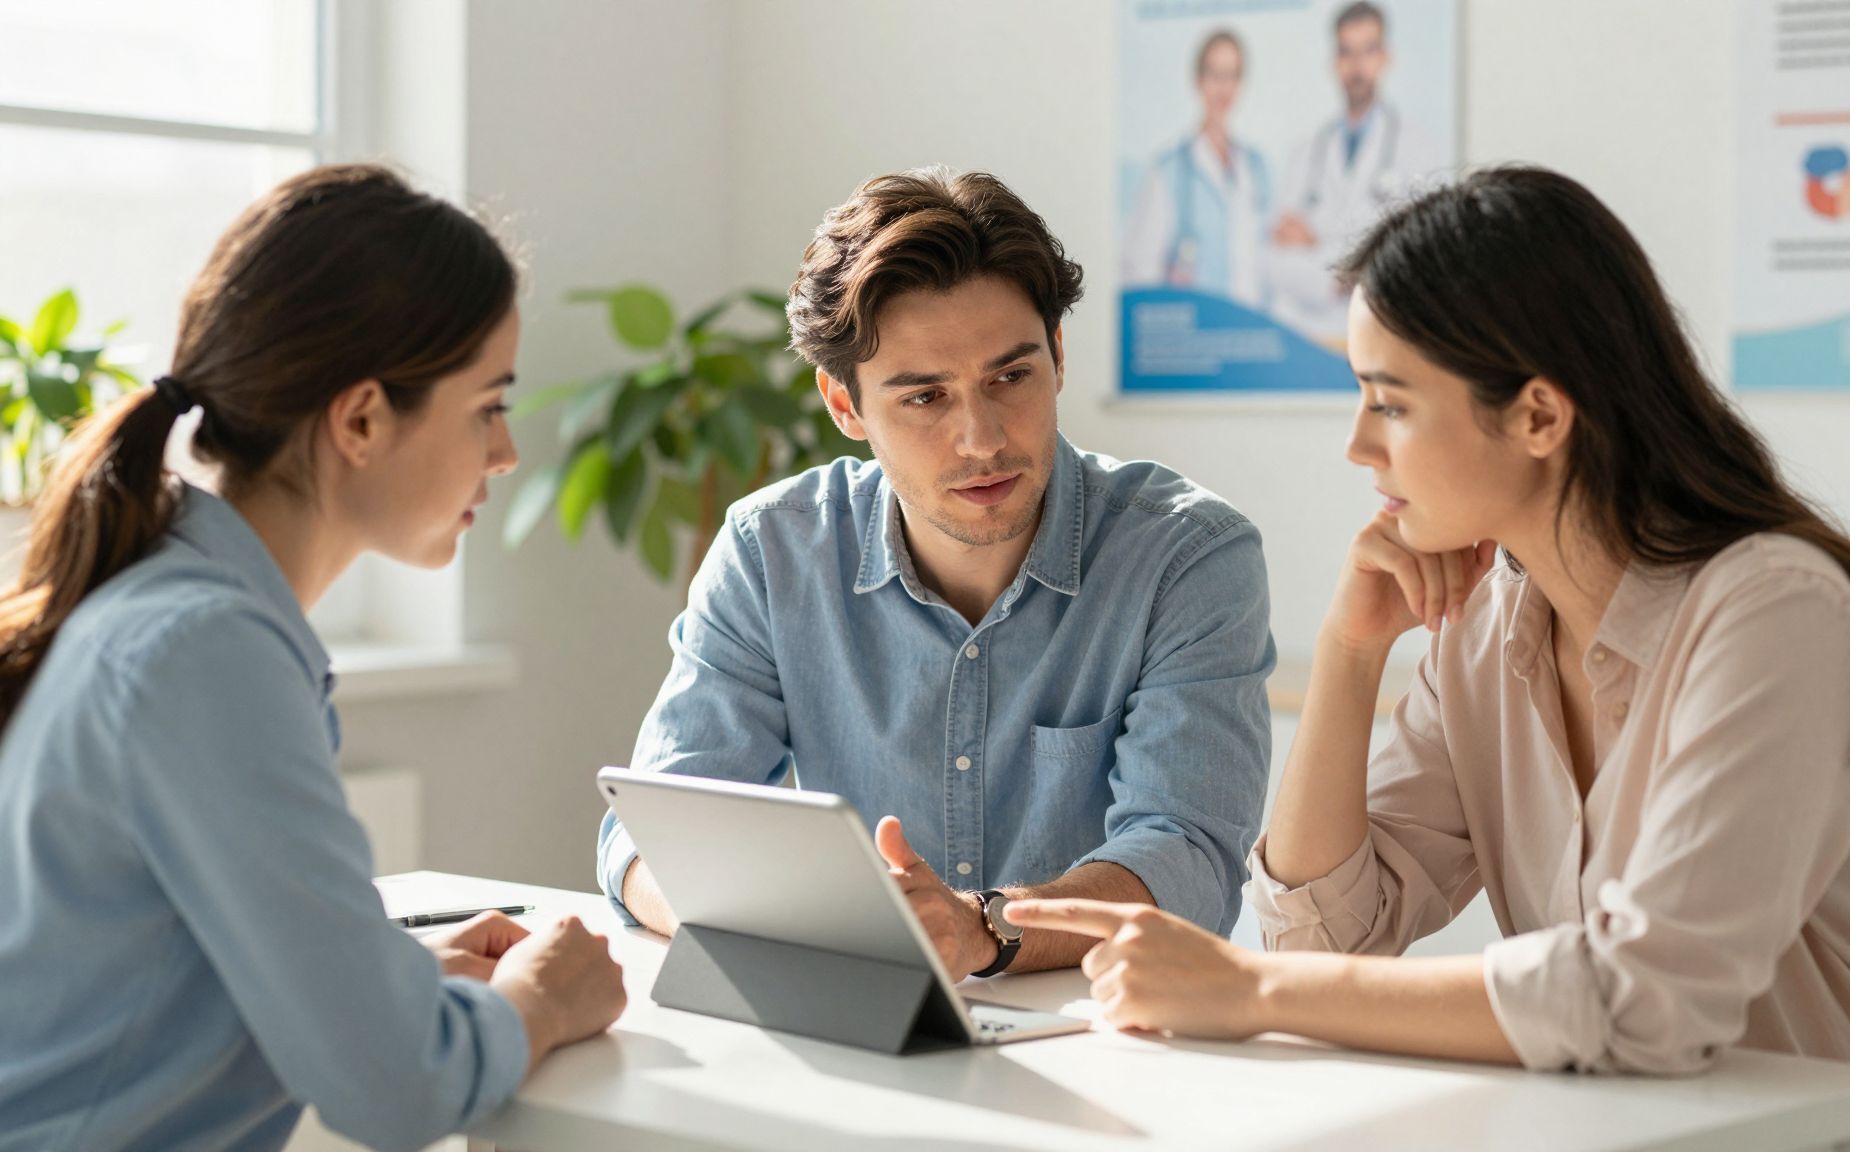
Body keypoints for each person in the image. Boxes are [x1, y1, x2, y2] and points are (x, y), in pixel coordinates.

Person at [1009, 166, 1850, 1149]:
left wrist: (1246, 992)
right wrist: (1348, 651)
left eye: (1391, 401)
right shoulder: (1488, 626)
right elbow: (1324, 942)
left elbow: (1647, 1002)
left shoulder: (1773, 606)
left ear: (1539, 414)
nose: (1357, 446)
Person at [0, 164, 627, 1152]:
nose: (504, 455)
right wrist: (539, 1002)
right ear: (363, 418)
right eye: (486, 406)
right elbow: (398, 1090)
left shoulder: (175, 615)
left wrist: (389, 971)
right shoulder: (205, 653)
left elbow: (162, 964)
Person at [600, 167, 1274, 983]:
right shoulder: (771, 551)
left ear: (1057, 357)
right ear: (844, 406)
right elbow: (647, 838)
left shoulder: (1185, 556)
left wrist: (983, 930)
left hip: (1108, 1034)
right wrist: (807, 929)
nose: (982, 438)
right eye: (925, 398)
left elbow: (1189, 856)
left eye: (1010, 377)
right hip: (859, 1011)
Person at [1268, 2, 1431, 346]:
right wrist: (1347, 270)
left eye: (1368, 51)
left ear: (1385, 58)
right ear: (1334, 62)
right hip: (1307, 337)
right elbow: (1277, 259)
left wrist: (1315, 244)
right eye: (1346, 52)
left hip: (1382, 337)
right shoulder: (1305, 152)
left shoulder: (1415, 147)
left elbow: (1409, 256)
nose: (1357, 67)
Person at [1122, 29, 1273, 309]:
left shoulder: (1255, 168)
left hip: (1254, 329)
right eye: (1215, 74)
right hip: (1195, 338)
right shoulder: (1167, 172)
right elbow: (1140, 273)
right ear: (1198, 80)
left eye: (1232, 75)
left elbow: (1264, 261)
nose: (1223, 88)